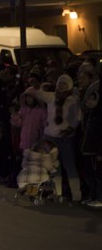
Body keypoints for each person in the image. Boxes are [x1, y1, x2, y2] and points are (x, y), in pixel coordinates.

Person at [36, 73, 82, 202]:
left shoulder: (73, 99)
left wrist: (70, 129)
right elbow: (39, 93)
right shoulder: (52, 97)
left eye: (64, 84)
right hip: (51, 136)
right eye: (60, 83)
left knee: (69, 165)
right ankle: (57, 192)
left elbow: (77, 117)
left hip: (65, 137)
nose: (61, 86)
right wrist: (40, 86)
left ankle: (76, 193)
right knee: (54, 166)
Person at [80, 76, 102, 208]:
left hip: (95, 150)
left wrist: (100, 151)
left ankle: (99, 197)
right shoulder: (89, 114)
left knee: (98, 176)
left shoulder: (99, 115)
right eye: (88, 98)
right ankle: (92, 196)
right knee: (89, 175)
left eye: (92, 99)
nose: (89, 101)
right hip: (87, 149)